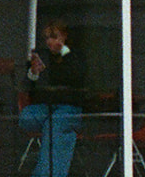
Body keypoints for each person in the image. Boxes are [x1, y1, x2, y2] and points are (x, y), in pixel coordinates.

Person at [18, 20, 85, 177]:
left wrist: (63, 51)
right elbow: (26, 86)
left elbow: (76, 76)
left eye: (54, 36)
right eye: (47, 37)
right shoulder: (43, 56)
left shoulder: (74, 55)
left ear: (64, 36)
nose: (50, 41)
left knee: (56, 123)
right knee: (27, 117)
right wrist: (34, 72)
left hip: (70, 108)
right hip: (46, 108)